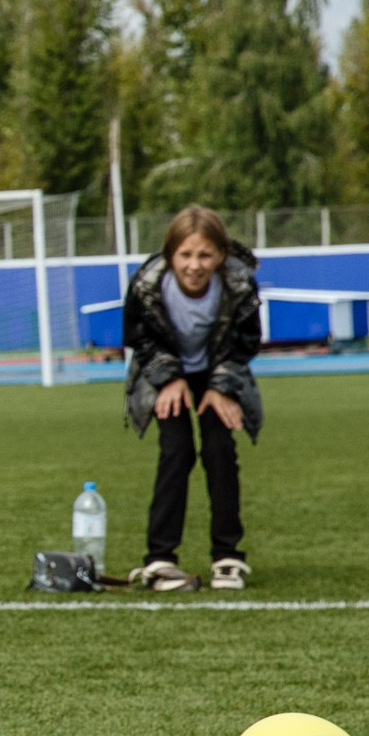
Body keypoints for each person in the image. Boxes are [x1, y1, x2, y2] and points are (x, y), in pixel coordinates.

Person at [122, 205, 262, 592]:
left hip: (218, 372)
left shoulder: (239, 284)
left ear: (220, 255)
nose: (195, 265)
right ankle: (160, 558)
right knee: (176, 451)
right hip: (166, 374)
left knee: (219, 449)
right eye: (185, 254)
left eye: (204, 255)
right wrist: (168, 379)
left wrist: (221, 387)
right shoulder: (146, 284)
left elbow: (246, 341)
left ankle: (227, 556)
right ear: (170, 256)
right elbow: (139, 339)